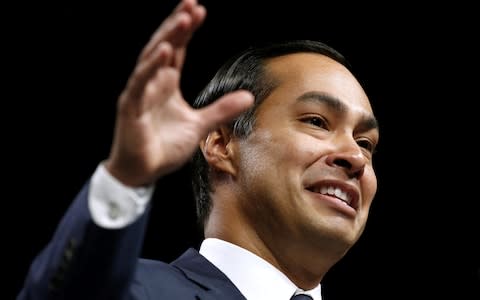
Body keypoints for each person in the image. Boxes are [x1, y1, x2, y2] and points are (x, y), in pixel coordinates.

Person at [17, 0, 380, 299]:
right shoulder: (135, 292)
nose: (355, 157)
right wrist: (126, 177)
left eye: (366, 143)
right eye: (317, 121)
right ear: (221, 144)